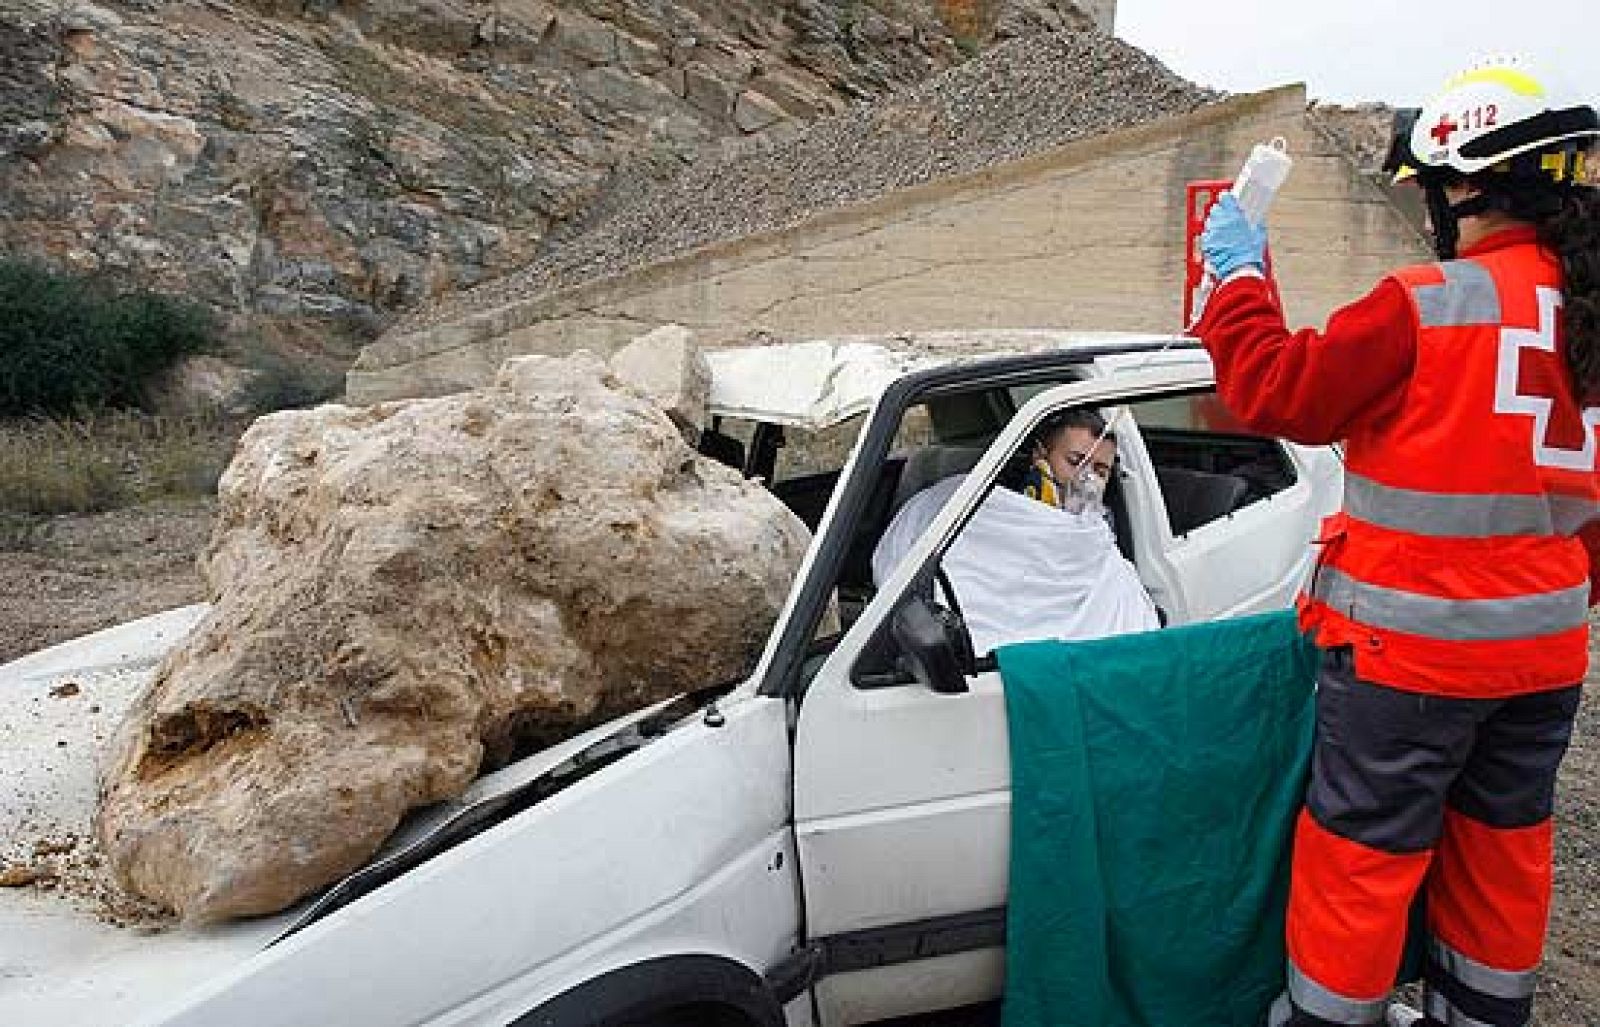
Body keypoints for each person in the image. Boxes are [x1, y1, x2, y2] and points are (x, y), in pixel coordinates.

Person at [1193, 57, 1600, 1027]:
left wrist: (1238, 274)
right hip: (1542, 658)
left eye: (1427, 190)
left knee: (1361, 864)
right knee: (1502, 853)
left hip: (1408, 661)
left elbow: (1275, 391)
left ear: (1465, 186)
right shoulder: (1586, 309)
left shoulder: (1426, 303)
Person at [871, 408, 1157, 654]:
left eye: (1100, 471)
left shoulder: (1101, 545)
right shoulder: (979, 508)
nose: (1087, 479)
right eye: (1074, 461)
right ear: (1040, 456)